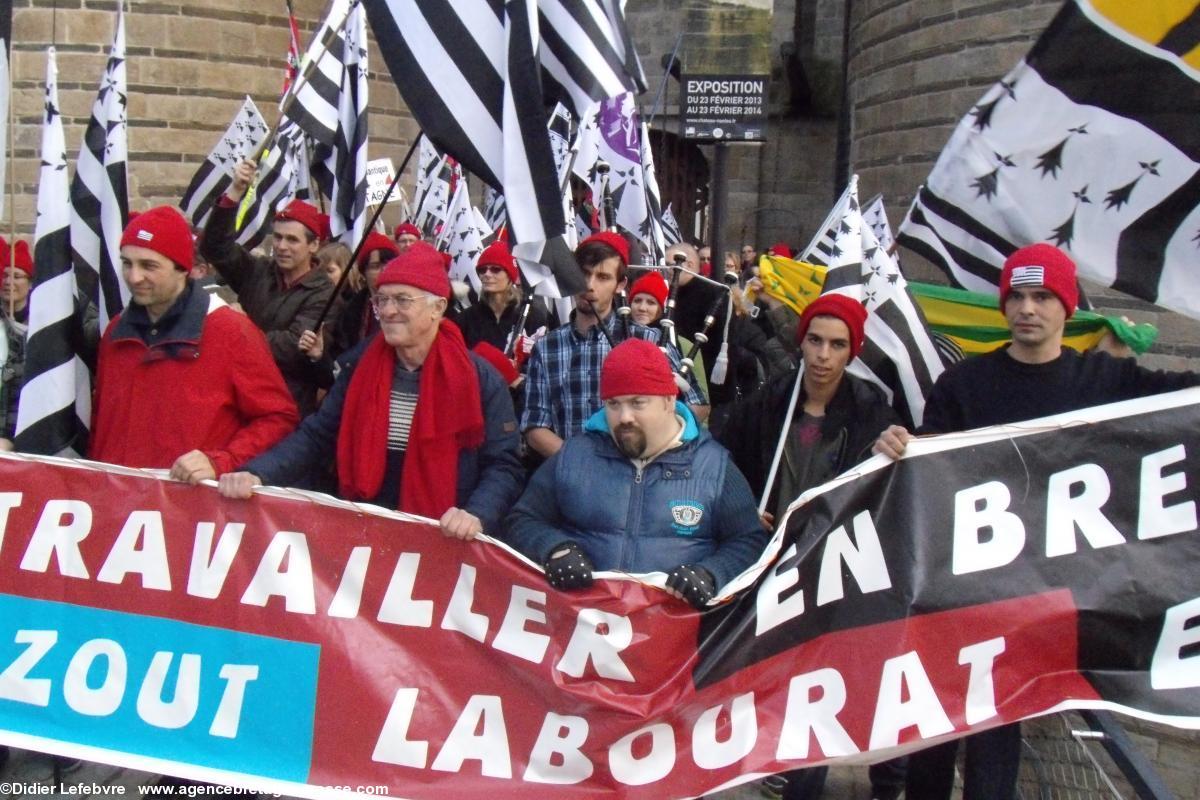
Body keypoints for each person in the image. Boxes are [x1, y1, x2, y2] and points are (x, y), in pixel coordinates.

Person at [873, 243, 1200, 800]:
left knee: (999, 733)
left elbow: (1178, 404)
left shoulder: (1102, 380)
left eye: (1042, 296)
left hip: (1040, 598)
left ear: (1066, 307)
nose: (1028, 308)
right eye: (1018, 296)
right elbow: (929, 460)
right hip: (961, 588)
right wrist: (897, 443)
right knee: (932, 731)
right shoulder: (965, 383)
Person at [714, 293, 902, 800]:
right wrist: (744, 506)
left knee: (816, 680)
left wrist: (894, 449)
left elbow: (885, 487)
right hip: (768, 558)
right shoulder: (768, 401)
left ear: (851, 351)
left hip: (831, 563)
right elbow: (726, 464)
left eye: (837, 345)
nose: (823, 354)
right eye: (815, 341)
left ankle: (803, 779)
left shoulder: (871, 411)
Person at [219, 242, 524, 540]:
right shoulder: (359, 367)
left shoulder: (479, 379)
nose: (388, 311)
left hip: (443, 534)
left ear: (438, 307)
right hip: (365, 525)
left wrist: (476, 513)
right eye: (382, 300)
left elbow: (502, 464)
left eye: (402, 300)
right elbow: (316, 435)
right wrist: (257, 473)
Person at [506, 338, 768, 606]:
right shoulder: (574, 456)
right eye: (614, 404)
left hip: (672, 634)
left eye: (638, 402)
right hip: (584, 629)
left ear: (668, 400)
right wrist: (554, 548)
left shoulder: (713, 465)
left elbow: (748, 540)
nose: (624, 417)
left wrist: (712, 573)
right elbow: (522, 519)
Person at [90, 206, 299, 482]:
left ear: (183, 269)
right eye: (127, 263)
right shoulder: (116, 332)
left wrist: (222, 461)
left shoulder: (232, 332)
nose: (134, 277)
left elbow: (278, 418)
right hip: (118, 507)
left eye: (148, 266)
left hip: (192, 513)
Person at [521, 232, 707, 459]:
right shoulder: (547, 347)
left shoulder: (650, 341)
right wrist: (578, 464)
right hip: (570, 478)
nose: (589, 285)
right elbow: (534, 425)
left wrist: (652, 444)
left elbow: (698, 405)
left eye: (603, 277)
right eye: (584, 274)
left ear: (620, 284)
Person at [201, 158, 334, 417]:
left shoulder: (324, 293)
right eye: (279, 238)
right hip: (236, 397)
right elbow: (215, 248)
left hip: (285, 407)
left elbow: (294, 347)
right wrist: (235, 192)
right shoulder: (257, 271)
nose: (282, 246)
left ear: (314, 245)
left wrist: (239, 326)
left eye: (292, 240)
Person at [626, 270, 709, 408]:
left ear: (660, 309)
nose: (642, 308)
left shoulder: (672, 341)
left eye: (651, 303)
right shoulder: (616, 330)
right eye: (637, 300)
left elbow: (697, 399)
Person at [453, 238, 549, 352]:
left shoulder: (531, 316)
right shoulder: (465, 319)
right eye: (482, 270)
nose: (487, 274)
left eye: (495, 269)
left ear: (510, 276)